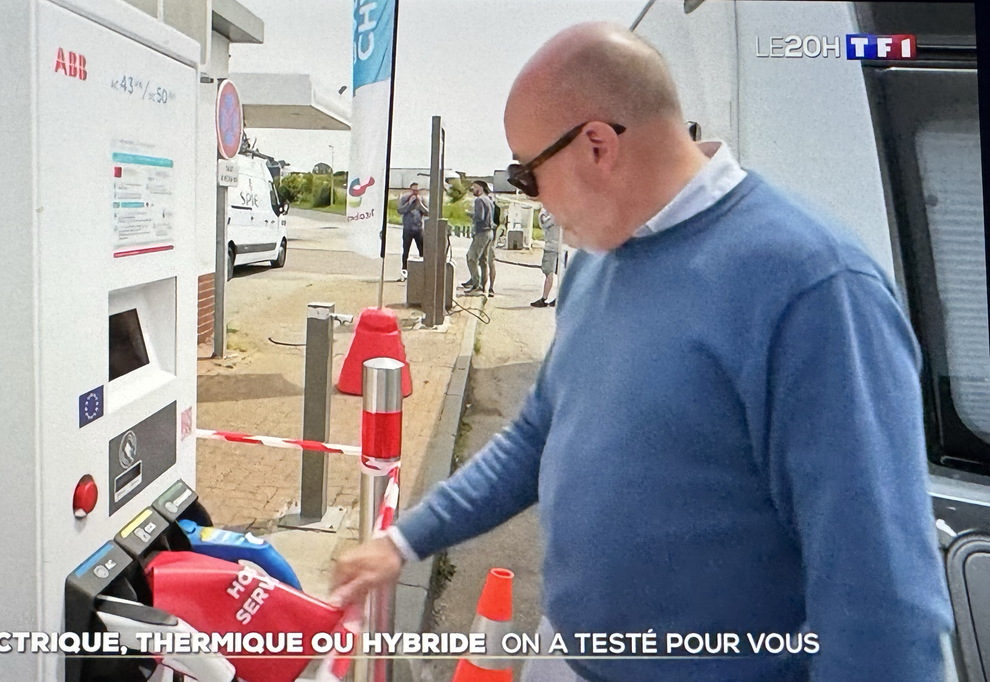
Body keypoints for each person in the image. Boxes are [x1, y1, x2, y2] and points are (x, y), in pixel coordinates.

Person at [331, 21, 952, 682]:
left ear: (596, 144)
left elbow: (879, 599)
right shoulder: (595, 268)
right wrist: (405, 539)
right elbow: (537, 435)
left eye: (528, 176)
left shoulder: (814, 287)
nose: (532, 204)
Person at [462, 180, 495, 295]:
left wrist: (470, 215)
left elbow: (480, 217)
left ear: (480, 188)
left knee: (471, 257)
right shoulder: (489, 200)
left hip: (482, 232)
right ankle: (483, 286)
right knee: (483, 261)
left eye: (475, 187)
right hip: (490, 232)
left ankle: (476, 284)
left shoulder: (479, 200)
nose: (473, 190)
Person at [396, 183, 428, 280]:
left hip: (418, 229)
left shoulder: (422, 199)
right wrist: (409, 204)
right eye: (413, 191)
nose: (415, 193)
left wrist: (420, 204)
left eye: (417, 191)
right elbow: (400, 210)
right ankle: (404, 272)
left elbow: (427, 212)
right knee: (405, 251)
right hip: (407, 229)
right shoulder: (404, 198)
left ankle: (423, 271)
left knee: (422, 250)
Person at [531, 207, 560, 307]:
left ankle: (544, 298)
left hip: (552, 246)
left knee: (549, 272)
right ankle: (559, 297)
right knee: (560, 273)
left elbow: (544, 223)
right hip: (561, 246)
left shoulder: (550, 212)